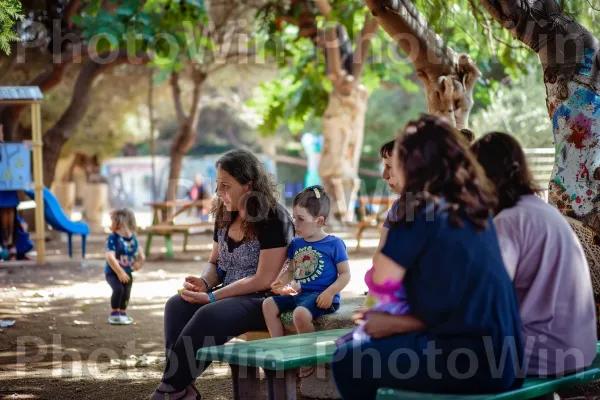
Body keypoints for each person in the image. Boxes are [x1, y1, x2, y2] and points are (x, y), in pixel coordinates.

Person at [332, 115, 524, 398]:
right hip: (509, 361)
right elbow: (459, 308)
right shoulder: (475, 208)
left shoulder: (417, 209)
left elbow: (381, 280)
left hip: (469, 363)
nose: (389, 174)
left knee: (348, 359)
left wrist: (393, 319)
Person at [150, 149, 294, 400]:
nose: (218, 192)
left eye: (225, 186)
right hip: (230, 295)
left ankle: (170, 389)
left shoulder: (273, 217)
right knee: (176, 304)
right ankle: (181, 388)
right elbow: (214, 263)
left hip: (265, 300)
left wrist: (213, 298)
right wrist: (204, 282)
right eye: (217, 185)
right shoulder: (224, 214)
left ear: (248, 185)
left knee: (208, 313)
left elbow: (264, 280)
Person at [471, 131, 597, 377]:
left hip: (544, 352)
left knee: (426, 351)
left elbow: (488, 298)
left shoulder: (509, 221)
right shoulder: (539, 209)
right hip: (579, 346)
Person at [263, 185, 351, 377]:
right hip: (299, 293)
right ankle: (281, 352)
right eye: (294, 217)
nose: (295, 223)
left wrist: (329, 293)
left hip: (321, 296)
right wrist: (281, 282)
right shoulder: (296, 243)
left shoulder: (334, 244)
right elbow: (292, 269)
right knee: (268, 304)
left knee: (300, 314)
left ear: (319, 221)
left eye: (300, 219)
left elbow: (345, 274)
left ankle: (311, 356)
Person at [105, 208, 144, 325]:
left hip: (128, 272)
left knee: (127, 292)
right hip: (113, 272)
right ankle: (114, 313)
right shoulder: (113, 238)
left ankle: (122, 313)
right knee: (118, 289)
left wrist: (140, 262)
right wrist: (119, 272)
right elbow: (109, 257)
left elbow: (140, 253)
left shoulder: (132, 238)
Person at [0, 124, 19, 260]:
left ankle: (10, 241)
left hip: (9, 185)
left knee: (10, 210)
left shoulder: (8, 148)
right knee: (2, 211)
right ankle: (5, 242)